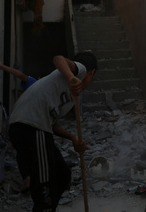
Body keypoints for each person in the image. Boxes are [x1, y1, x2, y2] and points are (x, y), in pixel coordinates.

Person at [8, 51, 97, 210]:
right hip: (30, 126)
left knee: (62, 175)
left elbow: (51, 124)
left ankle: (48, 208)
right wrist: (71, 77)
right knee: (45, 180)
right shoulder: (81, 71)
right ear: (92, 73)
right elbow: (58, 58)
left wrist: (72, 137)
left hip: (37, 128)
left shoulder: (70, 98)